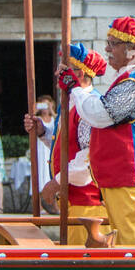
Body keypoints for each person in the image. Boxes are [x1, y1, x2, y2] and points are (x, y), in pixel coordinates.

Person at [71, 17, 135, 246]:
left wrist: (78, 89)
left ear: (131, 48)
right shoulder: (129, 79)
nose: (107, 49)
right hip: (124, 180)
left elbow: (102, 114)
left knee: (133, 248)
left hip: (133, 180)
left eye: (113, 43)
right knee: (122, 244)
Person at [27, 43, 111, 244]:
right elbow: (67, 146)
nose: (57, 73)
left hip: (87, 204)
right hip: (76, 201)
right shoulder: (72, 103)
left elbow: (88, 158)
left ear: (79, 74)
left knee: (83, 262)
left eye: (63, 70)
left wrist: (56, 182)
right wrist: (43, 132)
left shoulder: (89, 105)